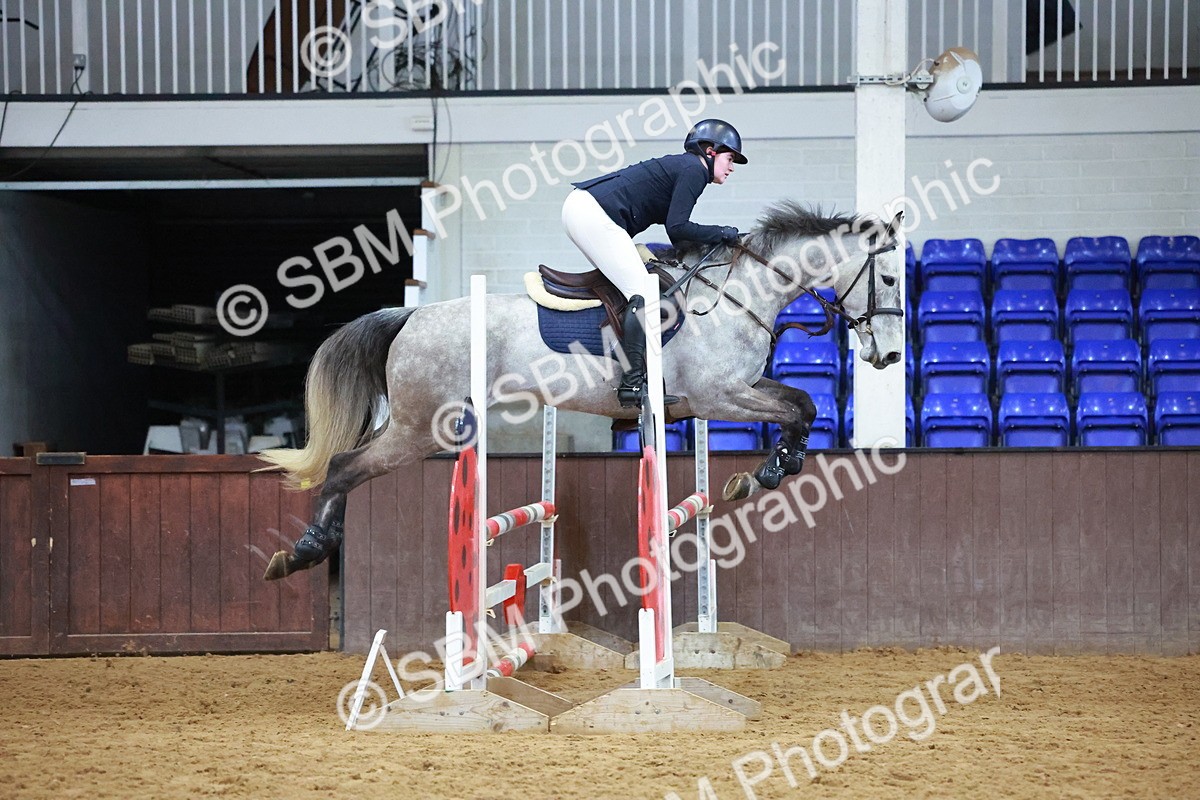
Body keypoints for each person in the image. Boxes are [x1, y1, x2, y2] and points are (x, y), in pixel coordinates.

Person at [561, 118, 748, 407]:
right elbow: (678, 227)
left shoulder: (686, 168)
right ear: (710, 151)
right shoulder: (693, 170)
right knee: (643, 294)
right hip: (593, 215)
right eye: (729, 158)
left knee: (630, 289)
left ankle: (626, 364)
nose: (732, 167)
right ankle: (631, 383)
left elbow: (679, 237)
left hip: (585, 210)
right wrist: (721, 233)